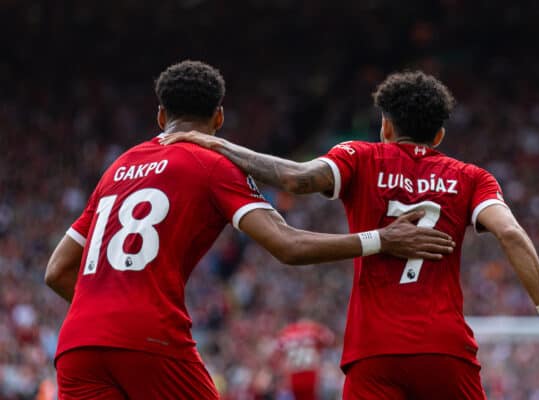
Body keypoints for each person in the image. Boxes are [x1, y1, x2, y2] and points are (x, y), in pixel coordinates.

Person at [44, 62, 455, 400]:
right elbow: (288, 245)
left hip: (77, 344)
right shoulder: (213, 164)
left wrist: (102, 316)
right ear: (219, 116)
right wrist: (381, 238)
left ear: (159, 115)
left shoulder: (117, 168)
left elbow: (57, 271)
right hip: (149, 338)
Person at [160, 70, 539, 399]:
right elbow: (511, 233)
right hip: (445, 349)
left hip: (373, 352)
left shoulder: (360, 158)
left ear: (384, 126)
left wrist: (216, 145)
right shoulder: (471, 178)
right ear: (439, 135)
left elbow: (295, 178)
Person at [276, 319, 335, 400]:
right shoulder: (313, 329)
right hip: (310, 372)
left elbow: (279, 350)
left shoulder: (286, 332)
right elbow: (330, 339)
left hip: (294, 374)